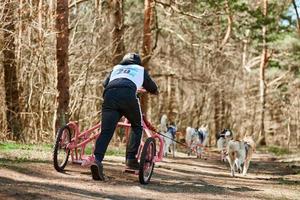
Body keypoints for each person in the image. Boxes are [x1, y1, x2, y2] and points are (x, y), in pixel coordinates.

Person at [91, 53, 158, 181]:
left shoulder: (116, 68)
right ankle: (131, 159)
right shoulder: (140, 70)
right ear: (138, 63)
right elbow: (152, 87)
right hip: (128, 95)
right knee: (137, 126)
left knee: (106, 131)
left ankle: (97, 159)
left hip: (109, 95)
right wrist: (155, 91)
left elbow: (105, 83)